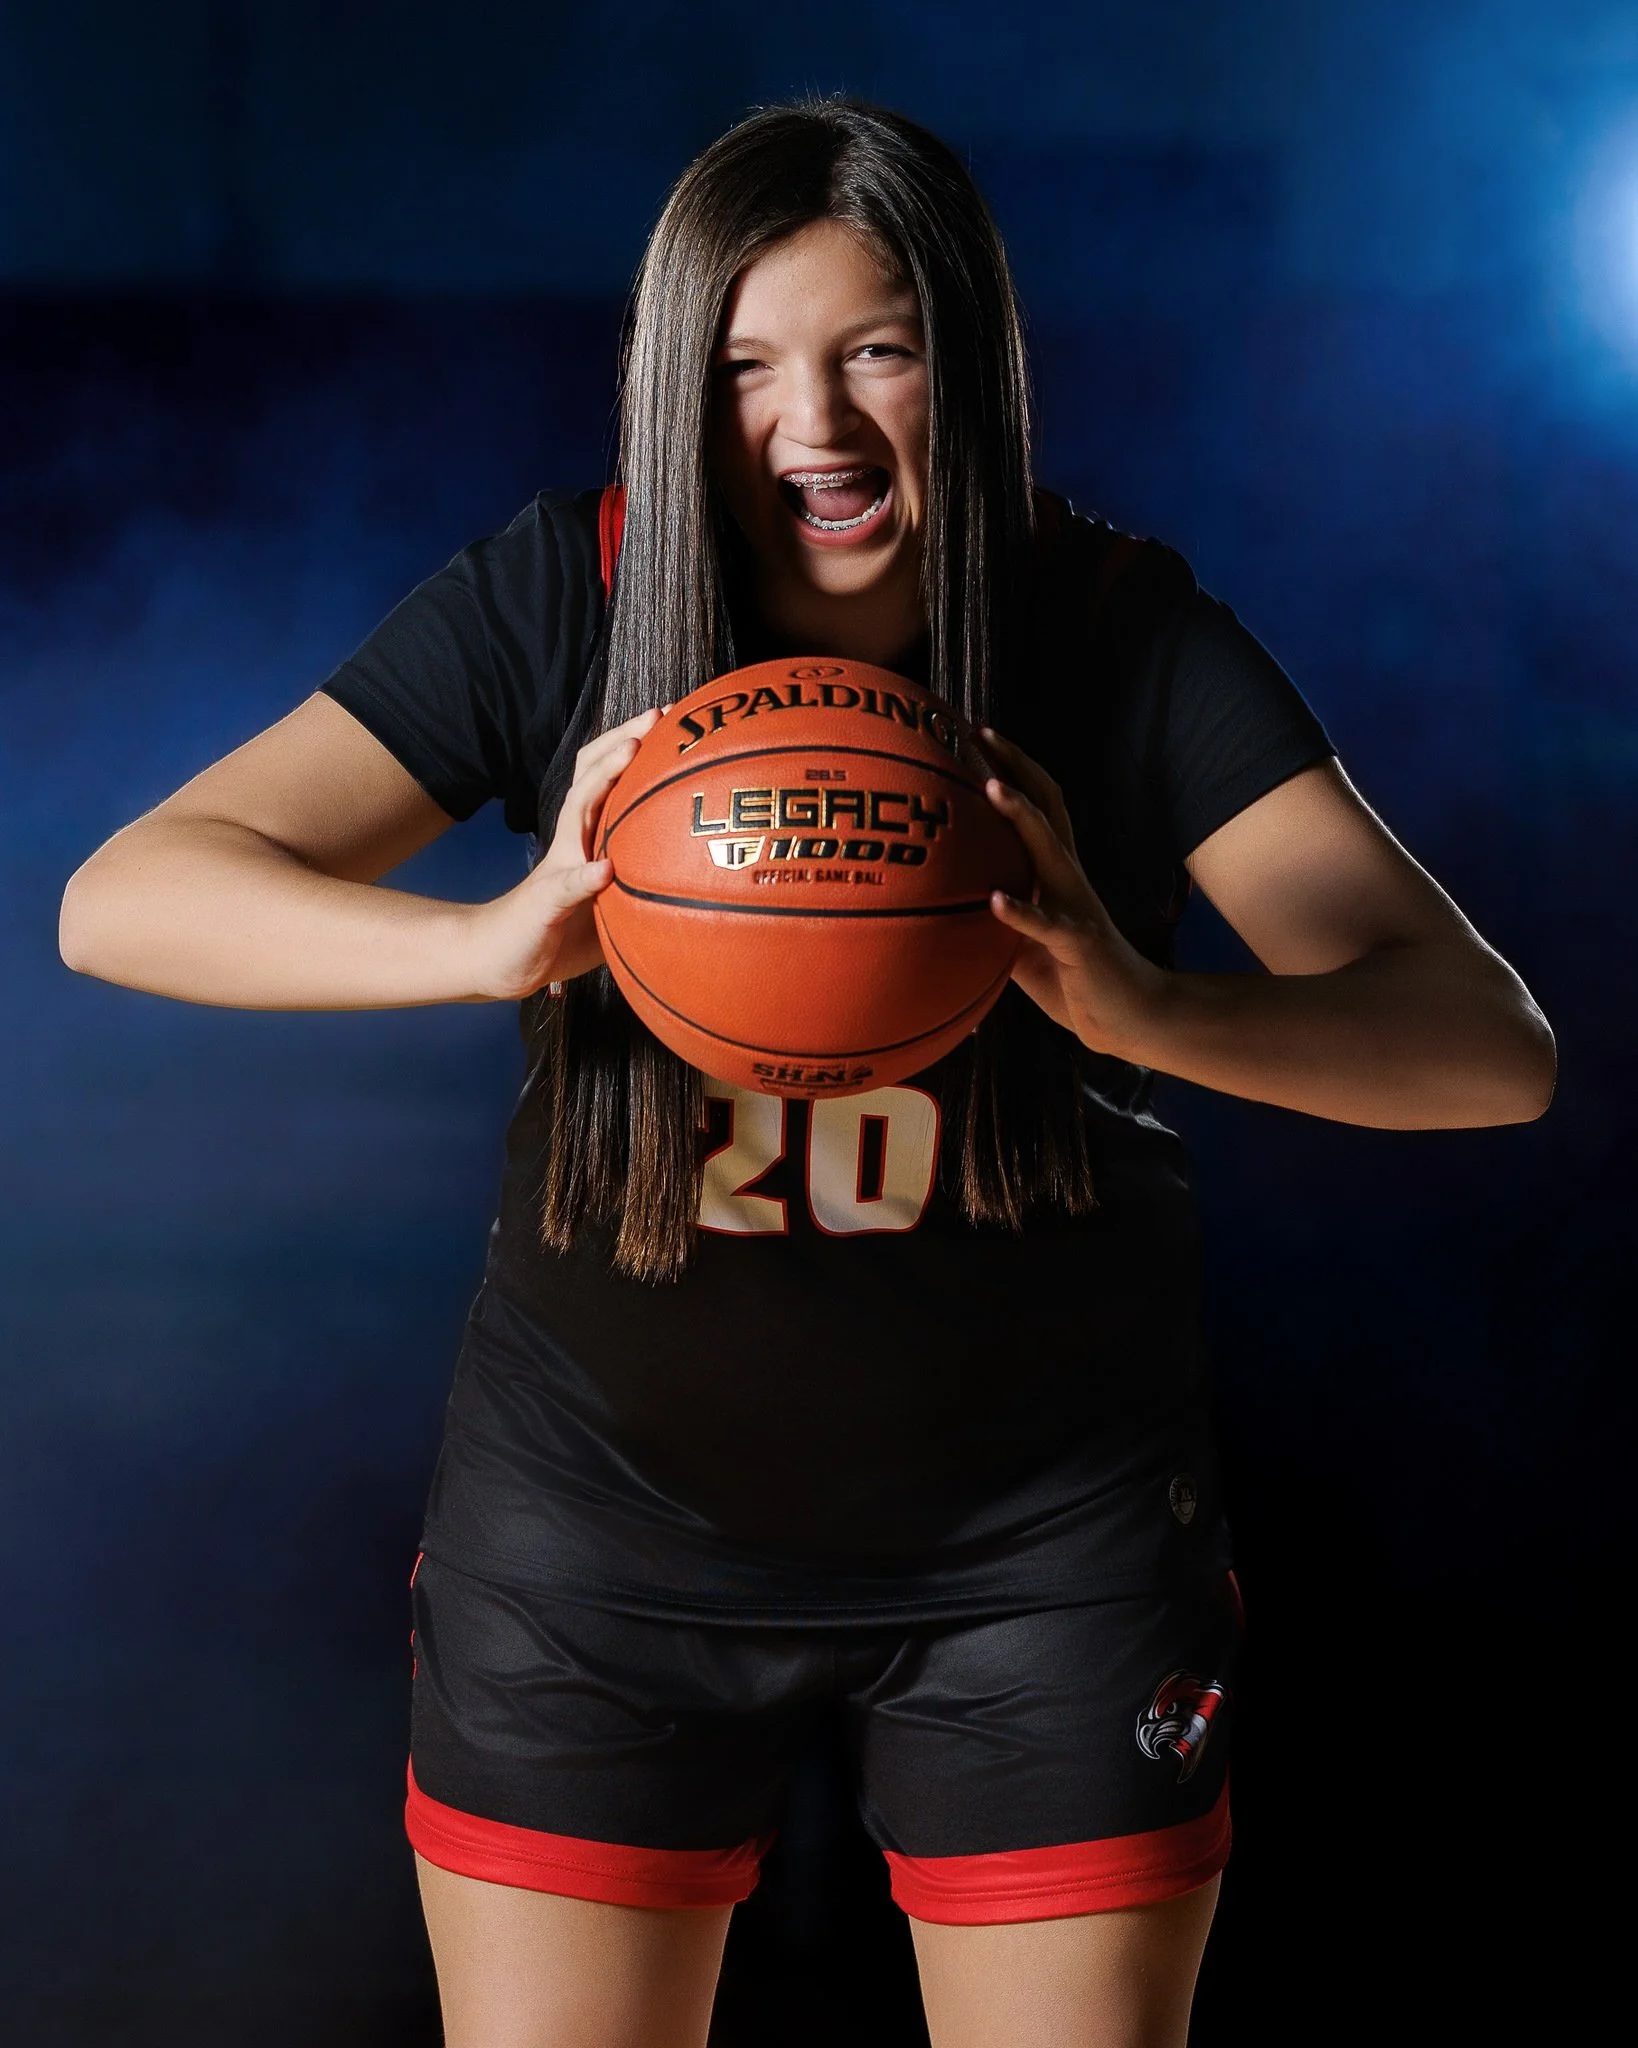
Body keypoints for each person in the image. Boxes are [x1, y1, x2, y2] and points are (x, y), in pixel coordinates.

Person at [58, 97, 1554, 2048]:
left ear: (975, 361)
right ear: (679, 388)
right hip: (597, 1539)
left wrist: (1142, 1005)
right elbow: (124, 895)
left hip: (1044, 1543)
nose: (814, 427)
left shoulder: (1110, 630)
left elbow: (1486, 1044)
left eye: (877, 352)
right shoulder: (567, 595)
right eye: (748, 366)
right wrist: (483, 940)